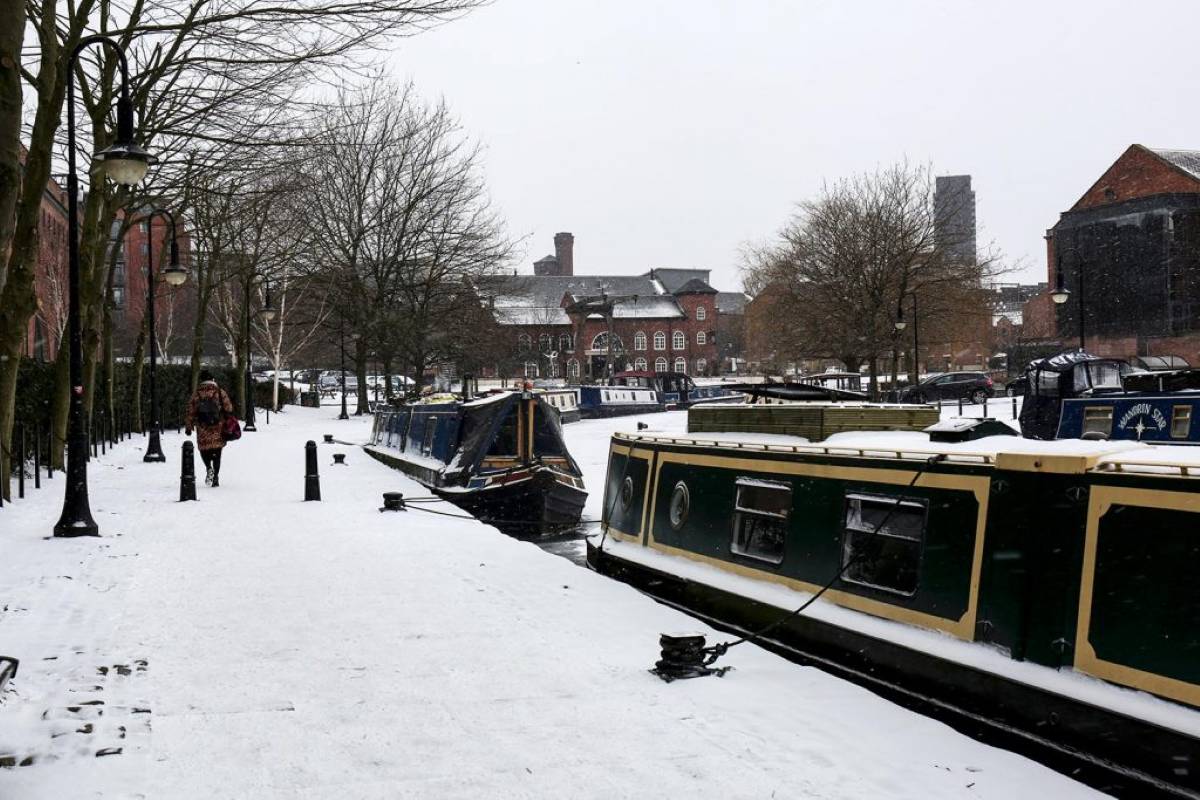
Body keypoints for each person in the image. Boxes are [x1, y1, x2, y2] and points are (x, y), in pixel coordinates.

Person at [185, 370, 234, 487]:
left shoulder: (196, 394)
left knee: (204, 449)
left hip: (202, 427)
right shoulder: (219, 392)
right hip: (217, 427)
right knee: (217, 452)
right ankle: (215, 477)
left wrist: (188, 426)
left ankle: (208, 467)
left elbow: (190, 411)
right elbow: (228, 408)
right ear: (212, 380)